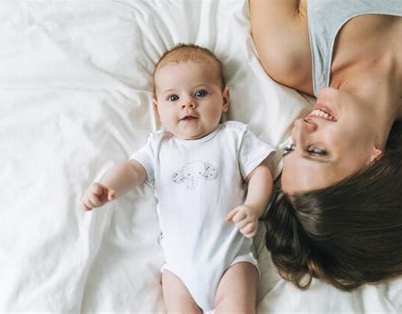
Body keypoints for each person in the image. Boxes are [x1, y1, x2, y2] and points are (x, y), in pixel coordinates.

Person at [249, 0, 402, 290]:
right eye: (316, 151)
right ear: (372, 166)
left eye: (291, 148)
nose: (300, 128)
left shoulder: (289, 52)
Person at [81, 44, 274, 312]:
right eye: (173, 98)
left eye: (201, 93)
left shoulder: (233, 136)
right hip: (179, 274)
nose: (188, 103)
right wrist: (106, 185)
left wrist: (253, 207)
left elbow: (260, 172)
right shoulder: (158, 147)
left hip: (231, 262)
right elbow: (132, 169)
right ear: (158, 109)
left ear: (225, 100)